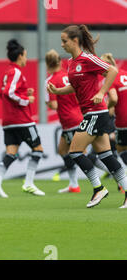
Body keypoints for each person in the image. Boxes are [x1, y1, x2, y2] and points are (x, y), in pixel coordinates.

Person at [47, 25, 127, 208]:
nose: (62, 44)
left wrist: (102, 92)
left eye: (64, 41)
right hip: (90, 113)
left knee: (74, 151)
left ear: (75, 41)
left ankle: (98, 188)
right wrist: (58, 90)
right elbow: (76, 87)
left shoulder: (88, 58)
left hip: (95, 112)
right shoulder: (71, 63)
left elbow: (112, 71)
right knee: (106, 156)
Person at [0, 39, 46, 198]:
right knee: (38, 150)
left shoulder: (8, 72)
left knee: (11, 154)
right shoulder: (16, 71)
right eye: (25, 56)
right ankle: (28, 183)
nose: (26, 59)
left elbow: (3, 93)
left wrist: (23, 93)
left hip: (8, 121)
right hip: (22, 120)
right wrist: (26, 100)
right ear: (20, 56)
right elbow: (8, 92)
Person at [44, 49, 83, 193]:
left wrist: (47, 103)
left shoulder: (50, 81)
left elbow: (54, 105)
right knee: (63, 150)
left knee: (83, 154)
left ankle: (118, 178)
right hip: (78, 116)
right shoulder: (68, 76)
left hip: (69, 120)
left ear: (47, 64)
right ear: (60, 62)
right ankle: (74, 184)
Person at [101, 52, 127, 191]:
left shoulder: (111, 80)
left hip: (124, 121)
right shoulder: (124, 73)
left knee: (121, 149)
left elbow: (114, 99)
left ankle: (124, 180)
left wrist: (105, 106)